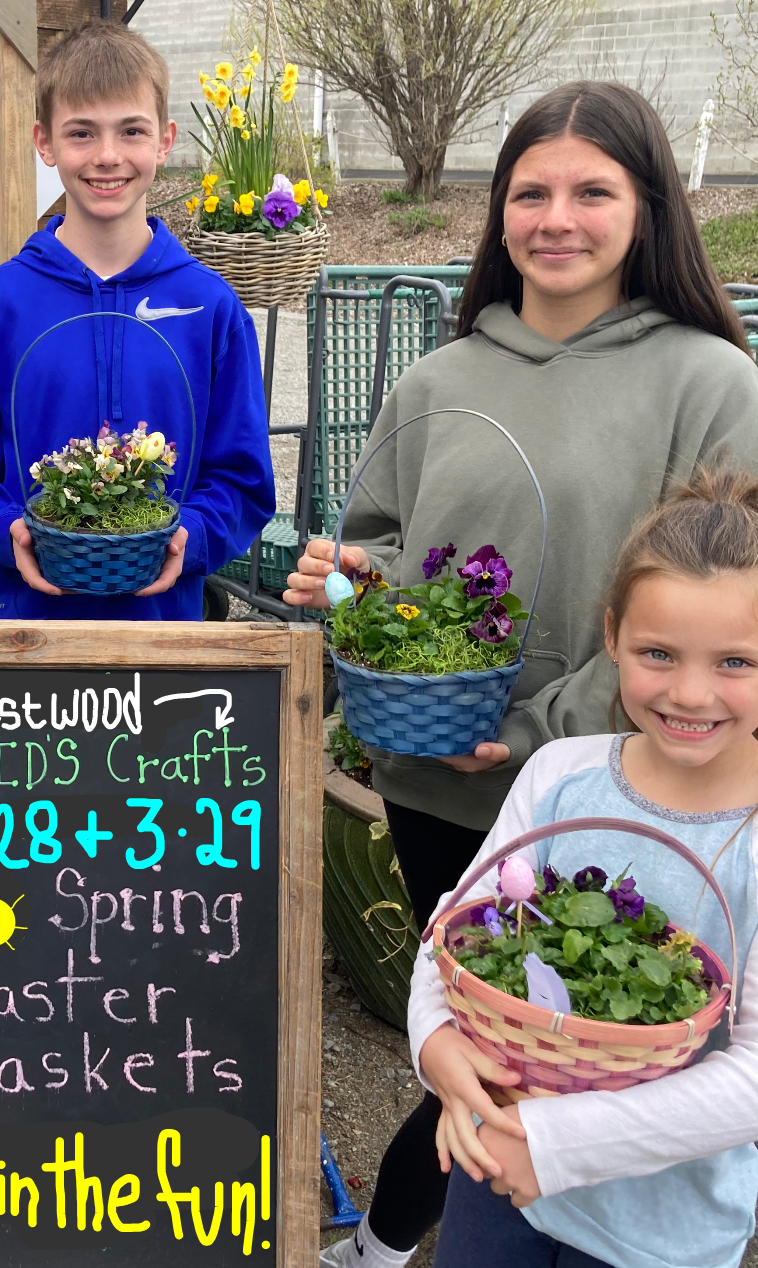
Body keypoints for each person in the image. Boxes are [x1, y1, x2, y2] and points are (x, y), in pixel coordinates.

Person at [286, 83, 758, 1267]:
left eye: (591, 191)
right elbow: (388, 547)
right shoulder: (439, 380)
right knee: (483, 1015)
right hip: (437, 776)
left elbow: (724, 598)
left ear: (646, 208)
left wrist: (547, 726)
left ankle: (594, 1231)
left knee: (621, 1029)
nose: (556, 217)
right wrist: (348, 576)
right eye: (527, 191)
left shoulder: (710, 381)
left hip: (630, 777)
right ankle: (430, 1232)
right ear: (495, 212)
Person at [411, 466, 758, 1268]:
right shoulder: (561, 774)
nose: (692, 692)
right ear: (612, 637)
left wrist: (557, 1139)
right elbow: (458, 928)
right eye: (658, 653)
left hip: (657, 1230)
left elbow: (749, 1077)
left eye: (736, 662)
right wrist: (437, 1048)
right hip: (494, 1173)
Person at [0, 18, 274, 619]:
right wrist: (7, 531)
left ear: (164, 140)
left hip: (166, 651)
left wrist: (192, 537)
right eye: (81, 133)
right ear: (45, 142)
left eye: (131, 131)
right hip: (28, 648)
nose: (107, 156)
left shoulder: (211, 309)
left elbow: (242, 481)